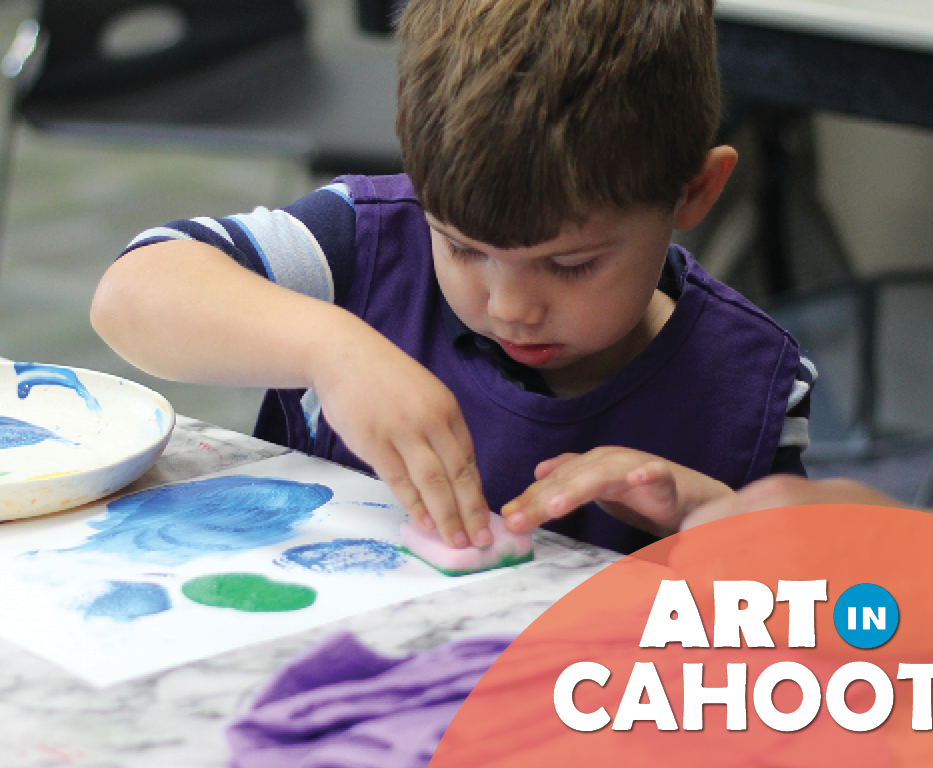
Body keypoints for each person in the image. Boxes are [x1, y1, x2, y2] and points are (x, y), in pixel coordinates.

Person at [90, 0, 814, 556]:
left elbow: (806, 626)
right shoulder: (366, 250)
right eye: (462, 248)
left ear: (694, 192)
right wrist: (334, 351)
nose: (509, 305)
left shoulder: (754, 389)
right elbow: (131, 294)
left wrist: (701, 516)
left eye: (570, 264)